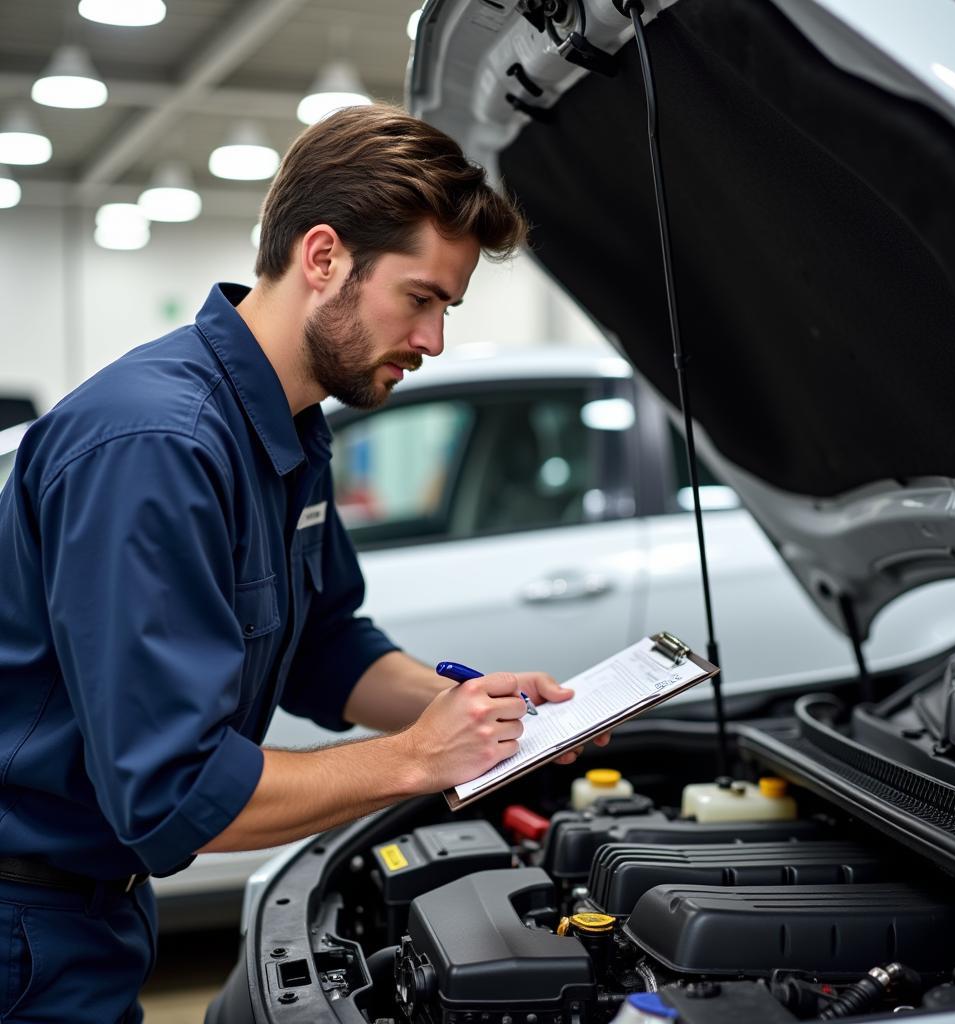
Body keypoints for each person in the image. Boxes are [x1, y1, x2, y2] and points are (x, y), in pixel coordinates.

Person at [0, 104, 609, 1023]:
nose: (434, 341)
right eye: (421, 298)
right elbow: (174, 793)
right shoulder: (158, 445)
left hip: (92, 911)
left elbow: (329, 644)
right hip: (21, 926)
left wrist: (478, 714)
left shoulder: (286, 425)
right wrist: (414, 761)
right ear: (322, 258)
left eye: (447, 306)